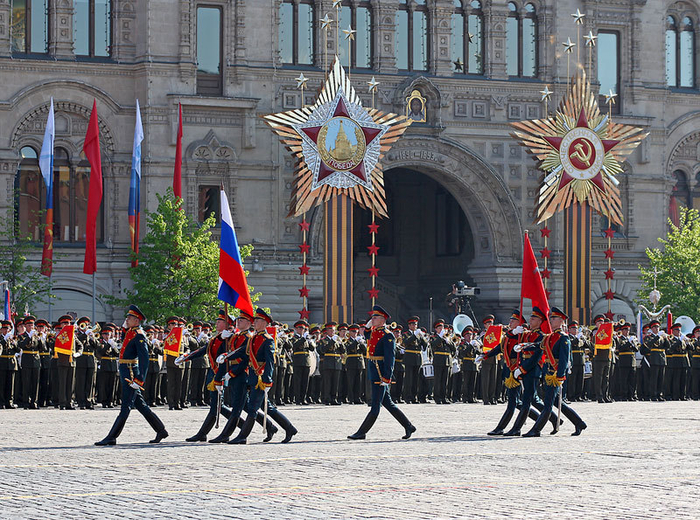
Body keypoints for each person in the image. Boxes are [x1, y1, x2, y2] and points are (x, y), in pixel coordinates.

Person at [95, 305, 168, 446]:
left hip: (130, 370)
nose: (127, 319)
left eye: (129, 318)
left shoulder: (139, 336)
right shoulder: (132, 332)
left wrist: (139, 379)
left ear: (137, 320)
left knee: (126, 405)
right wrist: (124, 327)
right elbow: (124, 340)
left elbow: (145, 359)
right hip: (124, 368)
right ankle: (160, 430)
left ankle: (112, 436)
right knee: (140, 404)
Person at [226, 308, 297, 444]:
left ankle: (242, 437)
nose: (255, 322)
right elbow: (243, 352)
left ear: (265, 323)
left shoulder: (267, 340)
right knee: (268, 408)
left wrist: (267, 380)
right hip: (252, 376)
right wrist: (227, 356)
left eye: (257, 320)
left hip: (261, 378)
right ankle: (288, 428)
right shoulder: (253, 338)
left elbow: (270, 361)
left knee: (252, 408)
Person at [207, 309, 278, 444]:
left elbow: (253, 360)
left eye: (242, 320)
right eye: (238, 320)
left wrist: (267, 380)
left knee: (241, 408)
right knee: (246, 406)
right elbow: (233, 352)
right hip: (241, 375)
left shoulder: (252, 338)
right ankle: (271, 427)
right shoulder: (238, 337)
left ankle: (232, 435)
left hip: (244, 375)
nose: (238, 322)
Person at [348, 305, 416, 440]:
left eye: (375, 317)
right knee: (388, 403)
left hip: (380, 373)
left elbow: (390, 358)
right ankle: (408, 426)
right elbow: (366, 334)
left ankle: (361, 432)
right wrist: (368, 325)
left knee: (375, 406)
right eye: (372, 316)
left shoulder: (388, 336)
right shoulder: (374, 331)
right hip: (373, 369)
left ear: (383, 319)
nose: (372, 318)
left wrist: (386, 377)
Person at [522, 308, 587, 437]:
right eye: (551, 318)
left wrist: (560, 375)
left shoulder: (563, 338)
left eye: (554, 318)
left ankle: (536, 430)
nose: (551, 320)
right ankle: (579, 423)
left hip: (555, 375)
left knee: (548, 405)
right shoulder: (550, 337)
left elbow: (564, 359)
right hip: (547, 373)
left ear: (561, 321)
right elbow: (539, 345)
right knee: (558, 403)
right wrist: (524, 345)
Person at [291, 320, 313, 405]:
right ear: (296, 329)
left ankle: (303, 398)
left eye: (303, 328)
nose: (302, 330)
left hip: (306, 361)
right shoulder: (294, 338)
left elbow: (312, 349)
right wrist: (303, 338)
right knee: (298, 381)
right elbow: (294, 346)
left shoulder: (306, 339)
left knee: (305, 381)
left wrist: (310, 341)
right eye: (300, 328)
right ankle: (297, 399)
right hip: (298, 361)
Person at [345, 324, 366, 404]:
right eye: (353, 332)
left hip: (360, 362)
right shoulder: (347, 340)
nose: (355, 333)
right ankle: (351, 398)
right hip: (351, 362)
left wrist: (362, 344)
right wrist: (356, 342)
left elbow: (364, 351)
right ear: (350, 332)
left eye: (356, 332)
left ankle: (357, 398)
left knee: (358, 382)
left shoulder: (359, 340)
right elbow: (348, 349)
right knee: (351, 382)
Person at [0, 319, 19, 408]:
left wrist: (14, 343)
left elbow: (18, 350)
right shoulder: (1, 338)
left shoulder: (12, 338)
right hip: (2, 362)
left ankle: (9, 402)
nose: (6, 331)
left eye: (8, 329)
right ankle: (1, 402)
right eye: (4, 329)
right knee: (1, 383)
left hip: (11, 363)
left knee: (10, 384)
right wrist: (4, 339)